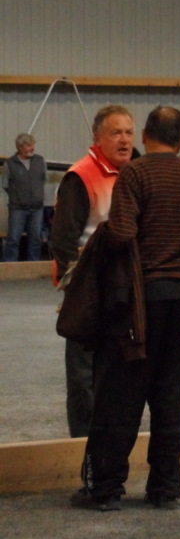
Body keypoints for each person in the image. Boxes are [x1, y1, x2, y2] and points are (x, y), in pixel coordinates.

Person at [70, 105, 180, 511]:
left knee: (121, 392)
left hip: (140, 301)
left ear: (146, 135)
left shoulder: (135, 174)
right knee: (169, 393)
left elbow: (121, 233)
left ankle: (105, 489)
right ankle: (166, 488)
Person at [50, 105, 136, 438]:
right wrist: (78, 290)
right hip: (88, 292)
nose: (124, 140)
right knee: (83, 378)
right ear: (97, 138)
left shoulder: (133, 173)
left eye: (129, 132)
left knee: (117, 374)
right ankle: (83, 446)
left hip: (124, 290)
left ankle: (111, 447)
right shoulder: (80, 177)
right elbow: (62, 241)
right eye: (116, 133)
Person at [2, 133, 47, 262]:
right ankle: (10, 268)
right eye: (28, 145)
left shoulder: (40, 161)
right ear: (19, 147)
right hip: (17, 209)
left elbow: (43, 180)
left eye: (33, 144)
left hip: (37, 208)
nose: (32, 148)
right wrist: (19, 196)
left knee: (35, 239)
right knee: (13, 239)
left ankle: (33, 268)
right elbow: (6, 185)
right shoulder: (10, 164)